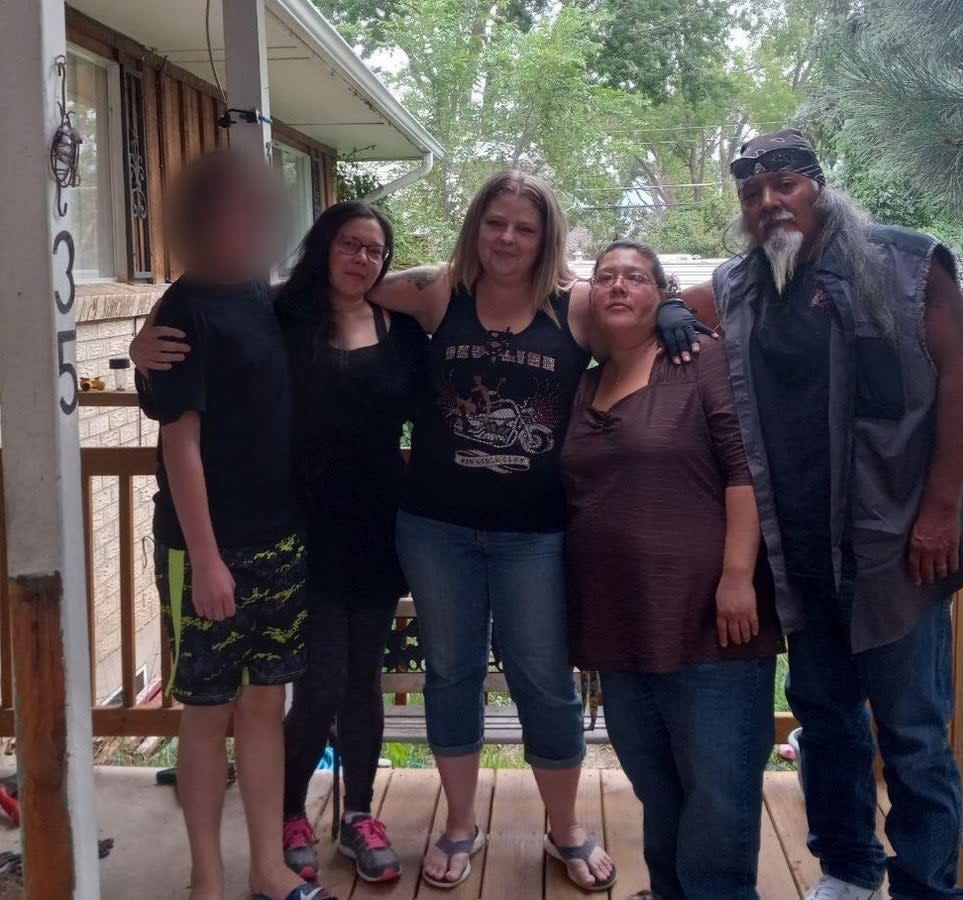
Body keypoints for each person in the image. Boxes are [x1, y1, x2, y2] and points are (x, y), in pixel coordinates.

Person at [659, 130, 963, 900]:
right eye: (752, 194)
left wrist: (941, 509)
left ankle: (927, 887)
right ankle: (848, 869)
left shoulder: (907, 261)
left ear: (820, 188)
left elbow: (962, 373)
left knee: (914, 736)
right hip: (801, 553)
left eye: (784, 185)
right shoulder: (742, 282)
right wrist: (664, 307)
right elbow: (669, 298)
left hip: (895, 540)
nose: (768, 203)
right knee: (824, 720)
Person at [133, 201, 429, 885]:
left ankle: (357, 814)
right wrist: (142, 348)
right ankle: (290, 817)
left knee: (357, 681)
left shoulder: (403, 330)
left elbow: (446, 302)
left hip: (374, 529)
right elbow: (200, 340)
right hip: (299, 528)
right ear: (321, 248)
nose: (361, 259)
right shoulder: (284, 315)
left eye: (374, 250)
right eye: (348, 245)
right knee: (315, 682)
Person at [354, 170, 618, 892]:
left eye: (523, 227)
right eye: (495, 222)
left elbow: (658, 316)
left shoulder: (580, 307)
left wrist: (683, 322)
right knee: (453, 672)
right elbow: (346, 281)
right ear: (477, 225)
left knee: (542, 677)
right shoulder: (440, 292)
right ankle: (460, 823)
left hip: (535, 532)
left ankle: (565, 828)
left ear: (546, 236)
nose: (507, 238)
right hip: (436, 526)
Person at [560, 241, 784, 900]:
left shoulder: (699, 360)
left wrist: (738, 576)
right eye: (605, 277)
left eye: (636, 276)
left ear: (661, 294)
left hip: (712, 620)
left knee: (719, 795)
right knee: (658, 789)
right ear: (590, 297)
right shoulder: (584, 382)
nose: (619, 286)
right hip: (622, 625)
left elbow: (746, 470)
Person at [139, 150, 333, 900]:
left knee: (263, 707)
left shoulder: (258, 292)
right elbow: (177, 438)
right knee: (205, 712)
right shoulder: (182, 310)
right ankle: (207, 878)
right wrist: (210, 559)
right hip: (204, 552)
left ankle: (267, 869)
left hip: (281, 542)